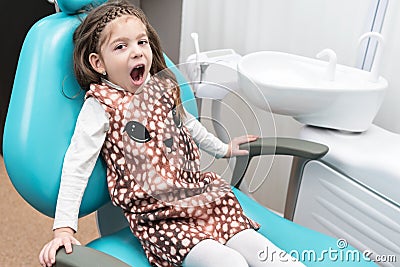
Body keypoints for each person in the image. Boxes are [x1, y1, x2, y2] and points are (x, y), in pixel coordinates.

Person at [39, 1, 305, 266]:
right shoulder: (101, 105)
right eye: (121, 46)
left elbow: (188, 124)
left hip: (198, 196)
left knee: (269, 255)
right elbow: (77, 164)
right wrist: (64, 228)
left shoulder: (160, 89)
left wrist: (223, 149)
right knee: (227, 262)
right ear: (98, 63)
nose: (137, 52)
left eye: (141, 42)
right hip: (160, 217)